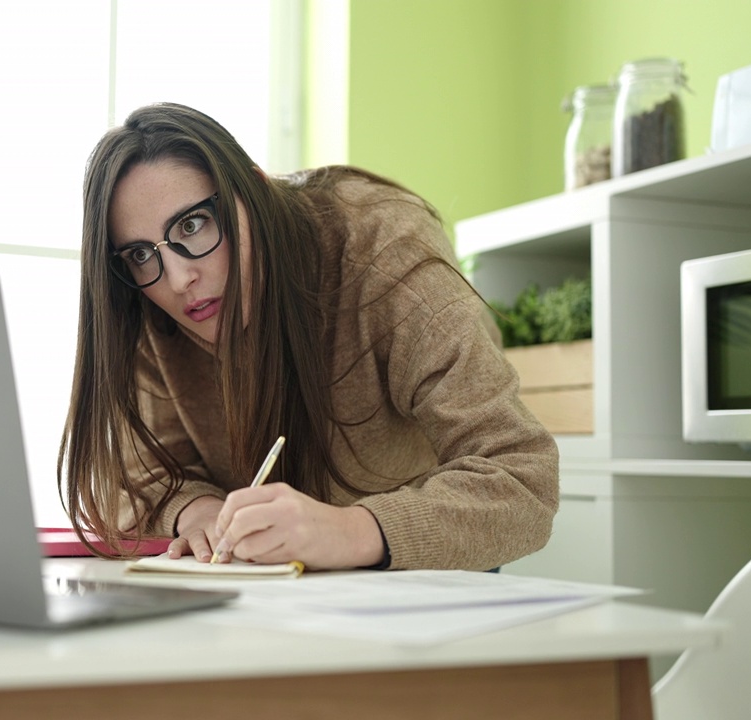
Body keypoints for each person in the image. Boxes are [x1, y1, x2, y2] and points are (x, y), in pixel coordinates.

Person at [58, 102, 559, 571]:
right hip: (276, 589)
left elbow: (523, 478)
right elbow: (134, 474)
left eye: (193, 224)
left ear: (254, 192)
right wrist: (196, 511)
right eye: (141, 254)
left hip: (424, 563)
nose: (177, 279)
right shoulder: (144, 299)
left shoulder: (386, 248)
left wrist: (350, 531)